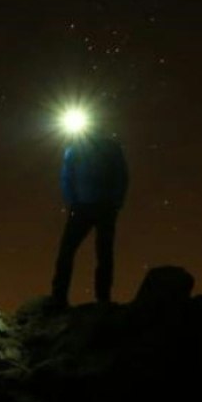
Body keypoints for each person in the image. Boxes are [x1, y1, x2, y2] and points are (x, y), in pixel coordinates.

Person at [52, 125, 129, 306]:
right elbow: (66, 177)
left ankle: (100, 297)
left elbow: (121, 175)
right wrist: (73, 201)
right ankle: (61, 296)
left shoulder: (110, 148)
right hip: (85, 207)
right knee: (73, 252)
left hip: (102, 207)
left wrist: (116, 202)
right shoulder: (75, 150)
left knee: (101, 253)